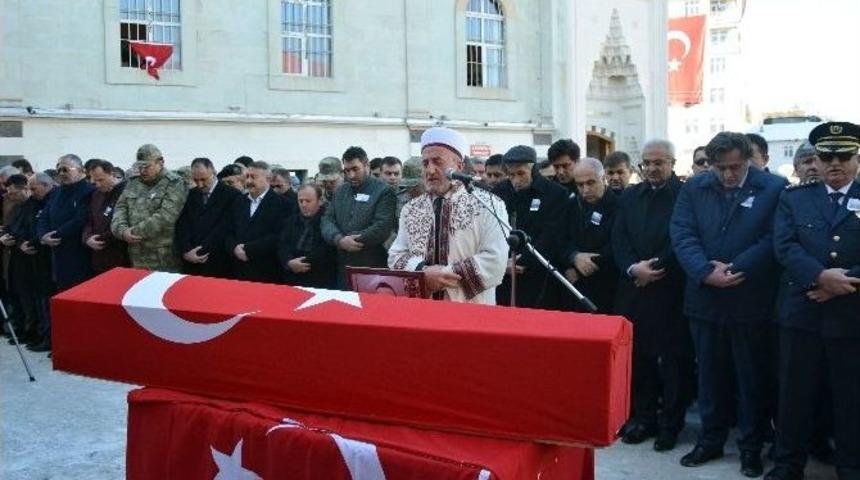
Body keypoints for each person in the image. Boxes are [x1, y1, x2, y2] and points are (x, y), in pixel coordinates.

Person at [671, 132, 788, 477]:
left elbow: (774, 239)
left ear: (749, 159)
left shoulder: (774, 188)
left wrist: (737, 268)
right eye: (719, 168)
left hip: (749, 299)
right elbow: (682, 232)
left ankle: (750, 448)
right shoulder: (695, 187)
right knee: (709, 376)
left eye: (735, 167)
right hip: (704, 299)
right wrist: (704, 270)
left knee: (750, 377)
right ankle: (710, 440)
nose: (727, 175)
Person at [768, 122, 860, 480]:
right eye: (826, 156)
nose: (834, 163)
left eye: (843, 155)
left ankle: (850, 464)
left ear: (856, 158)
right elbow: (784, 246)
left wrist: (843, 282)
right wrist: (821, 277)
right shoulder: (794, 198)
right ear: (816, 161)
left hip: (851, 313)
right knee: (794, 394)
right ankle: (788, 463)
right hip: (802, 311)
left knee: (850, 396)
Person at [612, 139, 695, 451]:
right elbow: (619, 237)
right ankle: (643, 418)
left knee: (673, 361)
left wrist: (655, 267)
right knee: (641, 358)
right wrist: (633, 268)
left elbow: (684, 237)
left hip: (670, 289)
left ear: (672, 163)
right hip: (635, 289)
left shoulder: (685, 195)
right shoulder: (632, 195)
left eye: (659, 162)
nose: (652, 168)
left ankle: (671, 424)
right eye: (646, 162)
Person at [388, 126, 508, 304]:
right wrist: (423, 271)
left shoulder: (488, 205)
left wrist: (442, 276)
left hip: (471, 310)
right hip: (422, 309)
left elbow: (495, 261)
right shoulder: (411, 209)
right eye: (425, 163)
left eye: (437, 161)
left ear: (459, 165)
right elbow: (395, 256)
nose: (430, 170)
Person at [493, 145, 569, 309]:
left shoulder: (555, 194)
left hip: (539, 273)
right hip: (503, 271)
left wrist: (525, 259)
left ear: (533, 170)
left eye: (521, 174)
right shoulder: (500, 191)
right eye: (511, 175)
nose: (516, 180)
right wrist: (502, 261)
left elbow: (552, 233)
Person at [321, 146, 395, 287]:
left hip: (372, 267)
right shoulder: (341, 191)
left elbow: (382, 227)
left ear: (366, 165)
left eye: (355, 169)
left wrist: (353, 240)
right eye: (347, 170)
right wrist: (340, 240)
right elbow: (327, 220)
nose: (351, 175)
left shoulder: (383, 191)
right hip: (343, 268)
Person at [111, 144, 189, 273]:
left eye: (147, 166)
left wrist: (135, 232)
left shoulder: (175, 183)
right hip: (135, 256)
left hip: (164, 257)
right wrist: (122, 231)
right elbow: (120, 208)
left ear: (160, 162)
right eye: (139, 167)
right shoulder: (133, 183)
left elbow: (166, 216)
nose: (142, 171)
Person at [561, 158, 619, 313]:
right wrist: (572, 257)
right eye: (580, 185)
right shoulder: (571, 205)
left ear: (603, 178)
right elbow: (561, 238)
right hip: (574, 289)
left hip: (608, 286)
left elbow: (618, 244)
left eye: (591, 183)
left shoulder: (619, 205)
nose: (585, 190)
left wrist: (583, 266)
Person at [8, 174, 55, 350]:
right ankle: (37, 333)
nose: (32, 192)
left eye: (34, 188)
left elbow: (41, 227)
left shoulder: (45, 202)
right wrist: (19, 242)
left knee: (43, 299)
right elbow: (14, 228)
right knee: (33, 298)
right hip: (28, 255)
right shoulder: (24, 206)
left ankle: (45, 336)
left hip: (43, 256)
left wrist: (32, 241)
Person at [225, 161, 291, 283]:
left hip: (267, 271)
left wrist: (248, 249)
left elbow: (279, 235)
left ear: (268, 179)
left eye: (253, 177)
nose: (249, 181)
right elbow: (229, 230)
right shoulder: (238, 202)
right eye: (247, 176)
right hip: (238, 270)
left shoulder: (283, 204)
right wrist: (234, 248)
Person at [175, 157, 240, 278]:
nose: (200, 184)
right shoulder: (192, 194)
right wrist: (186, 251)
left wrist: (200, 251)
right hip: (190, 261)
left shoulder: (232, 195)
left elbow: (224, 228)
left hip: (218, 261)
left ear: (214, 173)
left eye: (204, 179)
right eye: (196, 180)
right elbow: (183, 224)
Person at [278, 184, 336, 288]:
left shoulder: (329, 222)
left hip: (319, 280)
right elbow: (282, 245)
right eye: (300, 201)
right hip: (291, 278)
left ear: (320, 201)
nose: (303, 205)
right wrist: (289, 262)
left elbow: (327, 249)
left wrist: (301, 263)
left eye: (308, 201)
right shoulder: (291, 221)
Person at [82, 160, 129, 274]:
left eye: (101, 180)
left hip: (120, 257)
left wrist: (100, 239)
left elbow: (126, 222)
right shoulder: (96, 195)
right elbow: (89, 220)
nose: (97, 184)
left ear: (112, 174)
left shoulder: (126, 192)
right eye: (94, 181)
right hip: (98, 259)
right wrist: (87, 238)